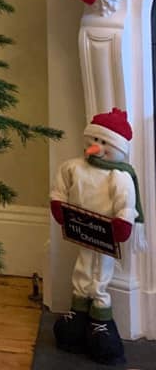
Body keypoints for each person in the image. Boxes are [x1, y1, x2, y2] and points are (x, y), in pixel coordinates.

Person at [50, 108, 143, 364]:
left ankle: (100, 318)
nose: (97, 146)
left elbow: (126, 203)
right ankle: (79, 311)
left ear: (118, 148)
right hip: (81, 230)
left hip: (105, 234)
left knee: (101, 270)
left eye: (104, 142)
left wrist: (123, 222)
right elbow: (60, 186)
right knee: (82, 265)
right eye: (94, 139)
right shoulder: (74, 167)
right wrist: (58, 204)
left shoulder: (120, 176)